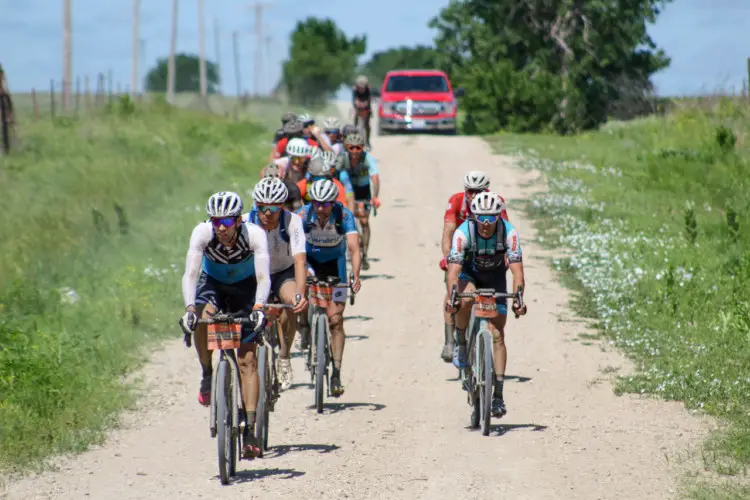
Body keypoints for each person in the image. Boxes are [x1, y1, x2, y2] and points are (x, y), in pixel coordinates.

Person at [178, 191, 271, 458]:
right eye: (216, 220)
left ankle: (251, 427)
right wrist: (188, 310)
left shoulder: (254, 234)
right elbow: (191, 274)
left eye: (228, 222)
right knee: (200, 318)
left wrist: (259, 307)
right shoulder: (202, 233)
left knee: (247, 360)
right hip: (214, 286)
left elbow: (264, 277)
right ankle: (208, 373)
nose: (221, 227)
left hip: (246, 288)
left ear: (238, 221)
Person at [445, 192, 527, 418]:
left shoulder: (509, 232)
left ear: (498, 216)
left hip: (495, 278)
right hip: (470, 275)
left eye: (491, 218)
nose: (486, 224)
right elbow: (453, 272)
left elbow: (517, 271)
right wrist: (453, 296)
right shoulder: (463, 233)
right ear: (473, 216)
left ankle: (498, 396)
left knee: (498, 334)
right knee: (466, 299)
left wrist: (519, 298)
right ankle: (461, 342)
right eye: (481, 218)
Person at [296, 179, 362, 396]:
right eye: (316, 203)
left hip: (336, 265)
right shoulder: (304, 215)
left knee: (336, 320)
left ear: (333, 203)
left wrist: (356, 275)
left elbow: (353, 249)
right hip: (311, 261)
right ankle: (303, 326)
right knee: (301, 288)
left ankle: (336, 371)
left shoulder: (343, 216)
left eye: (325, 204)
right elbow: (292, 247)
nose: (321, 208)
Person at [244, 178, 308, 390]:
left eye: (273, 207)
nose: (267, 213)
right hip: (254, 274)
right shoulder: (245, 222)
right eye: (262, 207)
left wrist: (300, 294)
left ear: (282, 206)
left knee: (290, 303)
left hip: (283, 272)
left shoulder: (292, 221)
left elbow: (299, 260)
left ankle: (284, 356)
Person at [438, 171, 509, 362]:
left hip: (485, 252)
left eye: (479, 191)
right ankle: (450, 341)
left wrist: (507, 256)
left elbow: (505, 231)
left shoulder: (495, 202)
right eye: (470, 191)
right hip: (461, 248)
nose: (473, 196)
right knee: (453, 291)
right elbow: (448, 232)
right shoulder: (456, 201)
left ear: (487, 190)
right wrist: (447, 257)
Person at [338, 132, 380, 270]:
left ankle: (365, 253)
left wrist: (375, 196)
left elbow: (375, 178)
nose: (355, 151)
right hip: (348, 190)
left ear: (362, 148)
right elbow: (335, 178)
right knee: (350, 219)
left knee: (364, 221)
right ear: (346, 148)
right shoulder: (342, 159)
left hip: (363, 190)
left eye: (358, 148)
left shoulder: (367, 158)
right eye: (351, 148)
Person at [351, 75, 372, 147]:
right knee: (355, 124)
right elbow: (354, 101)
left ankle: (367, 141)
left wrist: (365, 106)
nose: (361, 89)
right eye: (359, 87)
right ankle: (354, 139)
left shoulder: (368, 89)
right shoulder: (354, 89)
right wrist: (357, 105)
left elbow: (368, 100)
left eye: (362, 87)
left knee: (367, 125)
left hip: (366, 106)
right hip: (358, 106)